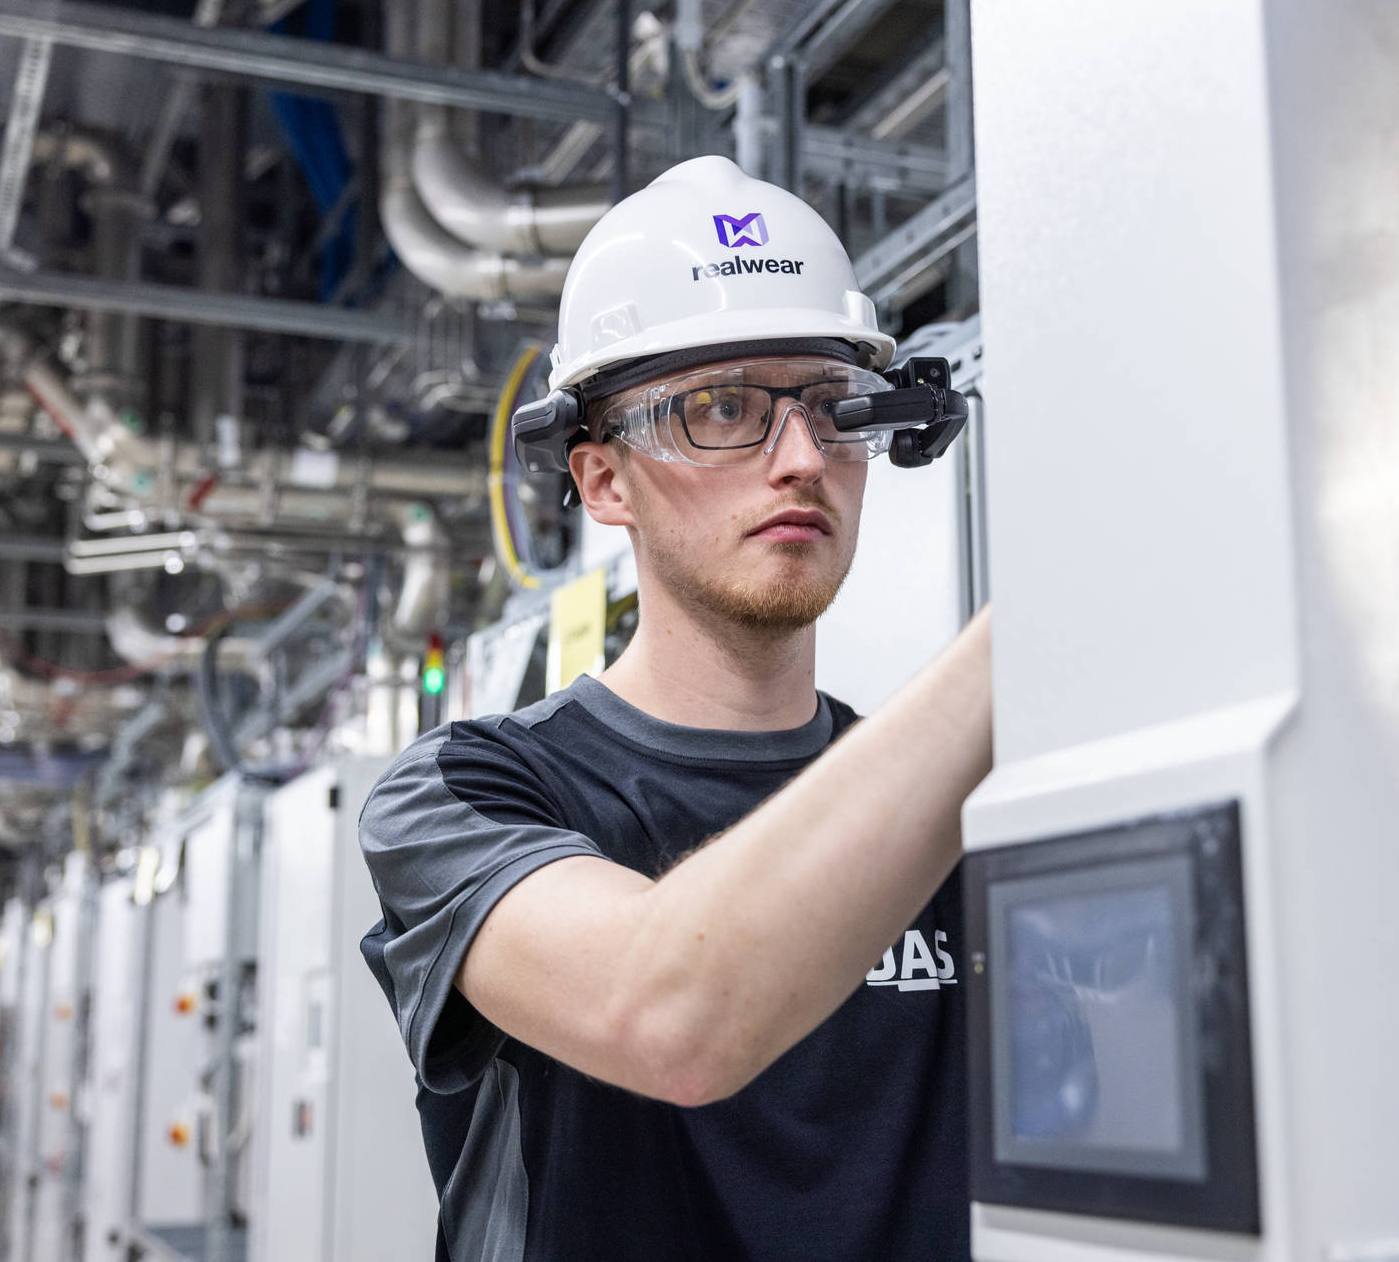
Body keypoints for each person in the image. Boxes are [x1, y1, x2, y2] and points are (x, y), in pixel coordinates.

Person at [358, 155, 992, 1262]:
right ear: (604, 481)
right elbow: (672, 1016)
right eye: (722, 409)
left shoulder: (943, 797)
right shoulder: (460, 792)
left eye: (834, 408)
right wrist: (1037, 631)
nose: (801, 459)